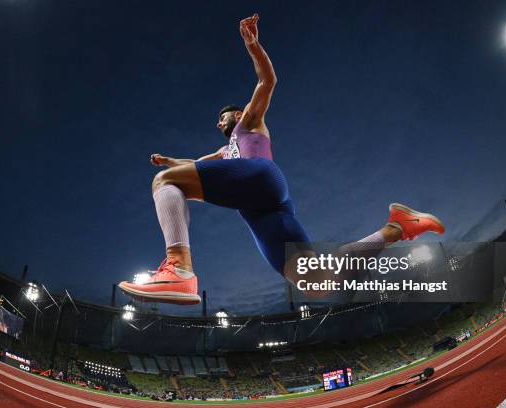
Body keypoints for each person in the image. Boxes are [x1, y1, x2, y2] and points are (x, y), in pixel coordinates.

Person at [118, 14, 444, 305]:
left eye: (222, 117)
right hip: (265, 215)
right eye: (217, 122)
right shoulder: (224, 151)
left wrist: (253, 46)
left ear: (236, 113)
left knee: (165, 183)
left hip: (262, 179)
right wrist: (168, 160)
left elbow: (267, 81)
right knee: (317, 283)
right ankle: (397, 227)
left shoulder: (249, 121)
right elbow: (195, 163)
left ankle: (179, 267)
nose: (219, 123)